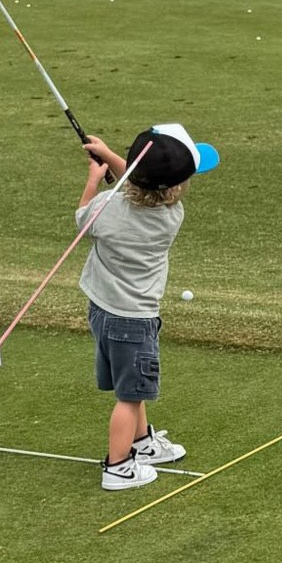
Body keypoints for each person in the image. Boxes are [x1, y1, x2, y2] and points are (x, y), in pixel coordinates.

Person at [77, 123, 219, 490]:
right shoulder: (171, 215)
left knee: (132, 387)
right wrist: (111, 160)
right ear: (175, 187)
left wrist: (96, 175)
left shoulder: (106, 208)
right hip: (135, 321)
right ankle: (118, 466)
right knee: (130, 396)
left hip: (102, 311)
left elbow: (83, 220)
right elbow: (143, 183)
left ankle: (142, 445)